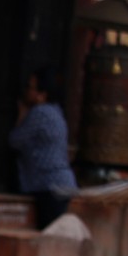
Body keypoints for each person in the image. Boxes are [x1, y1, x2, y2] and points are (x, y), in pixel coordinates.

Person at [10, 69, 78, 232]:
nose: (27, 91)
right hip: (61, 183)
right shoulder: (56, 111)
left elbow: (15, 140)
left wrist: (21, 115)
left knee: (48, 234)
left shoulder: (39, 112)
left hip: (49, 184)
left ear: (42, 94)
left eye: (31, 88)